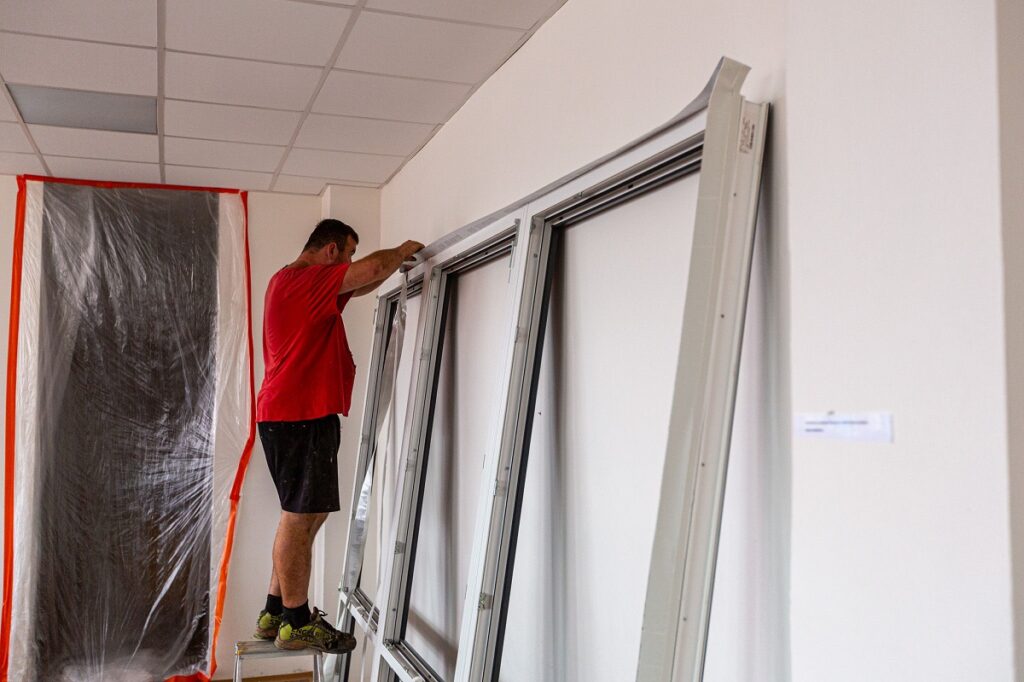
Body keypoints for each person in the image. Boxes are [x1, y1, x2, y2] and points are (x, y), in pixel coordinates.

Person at [253, 218, 424, 652]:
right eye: (347, 253)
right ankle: (296, 621)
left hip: (298, 416)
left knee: (304, 516)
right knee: (298, 518)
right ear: (331, 251)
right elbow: (369, 270)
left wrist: (390, 268)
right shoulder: (303, 281)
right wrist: (403, 249)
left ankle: (274, 612)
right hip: (298, 417)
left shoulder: (297, 284)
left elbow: (362, 284)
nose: (349, 262)